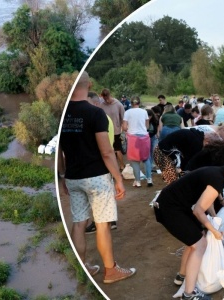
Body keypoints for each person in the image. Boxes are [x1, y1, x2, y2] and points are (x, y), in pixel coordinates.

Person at [58, 71, 136, 283]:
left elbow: (60, 150)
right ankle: (110, 271)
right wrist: (118, 178)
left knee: (79, 223)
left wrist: (64, 175)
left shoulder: (62, 114)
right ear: (89, 84)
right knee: (102, 224)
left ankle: (83, 268)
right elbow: (107, 152)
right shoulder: (95, 113)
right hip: (97, 178)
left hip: (73, 177)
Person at [153, 158, 224, 300]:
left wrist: (213, 220)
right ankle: (189, 294)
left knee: (196, 238)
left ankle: (181, 276)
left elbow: (205, 203)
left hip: (175, 205)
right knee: (200, 244)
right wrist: (214, 230)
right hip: (170, 208)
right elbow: (199, 210)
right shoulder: (217, 179)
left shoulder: (218, 173)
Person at [85, 91, 117, 234]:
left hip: (101, 162)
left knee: (101, 194)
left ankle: (103, 222)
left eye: (88, 102)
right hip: (102, 160)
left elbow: (106, 146)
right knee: (106, 192)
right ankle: (110, 220)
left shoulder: (100, 119)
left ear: (96, 103)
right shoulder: (102, 118)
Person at [154, 128, 222, 184]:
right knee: (173, 182)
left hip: (165, 150)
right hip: (161, 153)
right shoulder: (197, 143)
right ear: (207, 141)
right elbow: (189, 162)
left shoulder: (198, 135)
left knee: (178, 178)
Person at [122, 96, 152, 187]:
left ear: (131, 103)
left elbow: (124, 127)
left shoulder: (127, 112)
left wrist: (127, 130)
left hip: (132, 137)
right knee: (146, 158)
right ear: (139, 102)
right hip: (144, 136)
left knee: (134, 160)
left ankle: (138, 181)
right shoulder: (144, 112)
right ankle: (149, 179)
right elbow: (147, 125)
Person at [99, 88, 126, 171]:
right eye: (104, 99)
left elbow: (123, 118)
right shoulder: (102, 105)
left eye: (107, 98)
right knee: (108, 150)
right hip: (105, 131)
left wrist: (123, 130)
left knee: (118, 149)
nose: (106, 101)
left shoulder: (118, 104)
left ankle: (122, 165)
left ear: (110, 95)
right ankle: (111, 167)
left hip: (116, 131)